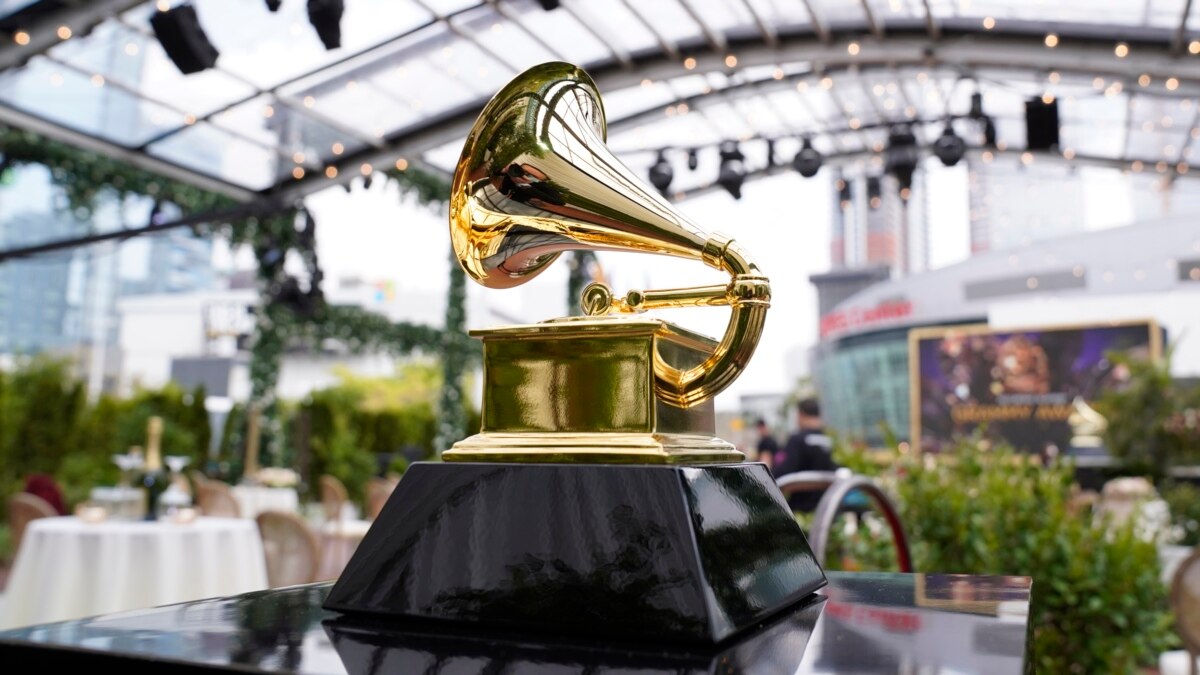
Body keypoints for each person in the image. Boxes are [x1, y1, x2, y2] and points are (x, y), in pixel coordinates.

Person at [774, 398, 838, 513]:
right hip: (826, 508)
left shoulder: (798, 440)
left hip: (800, 508)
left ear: (801, 414)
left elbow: (783, 472)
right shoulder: (828, 440)